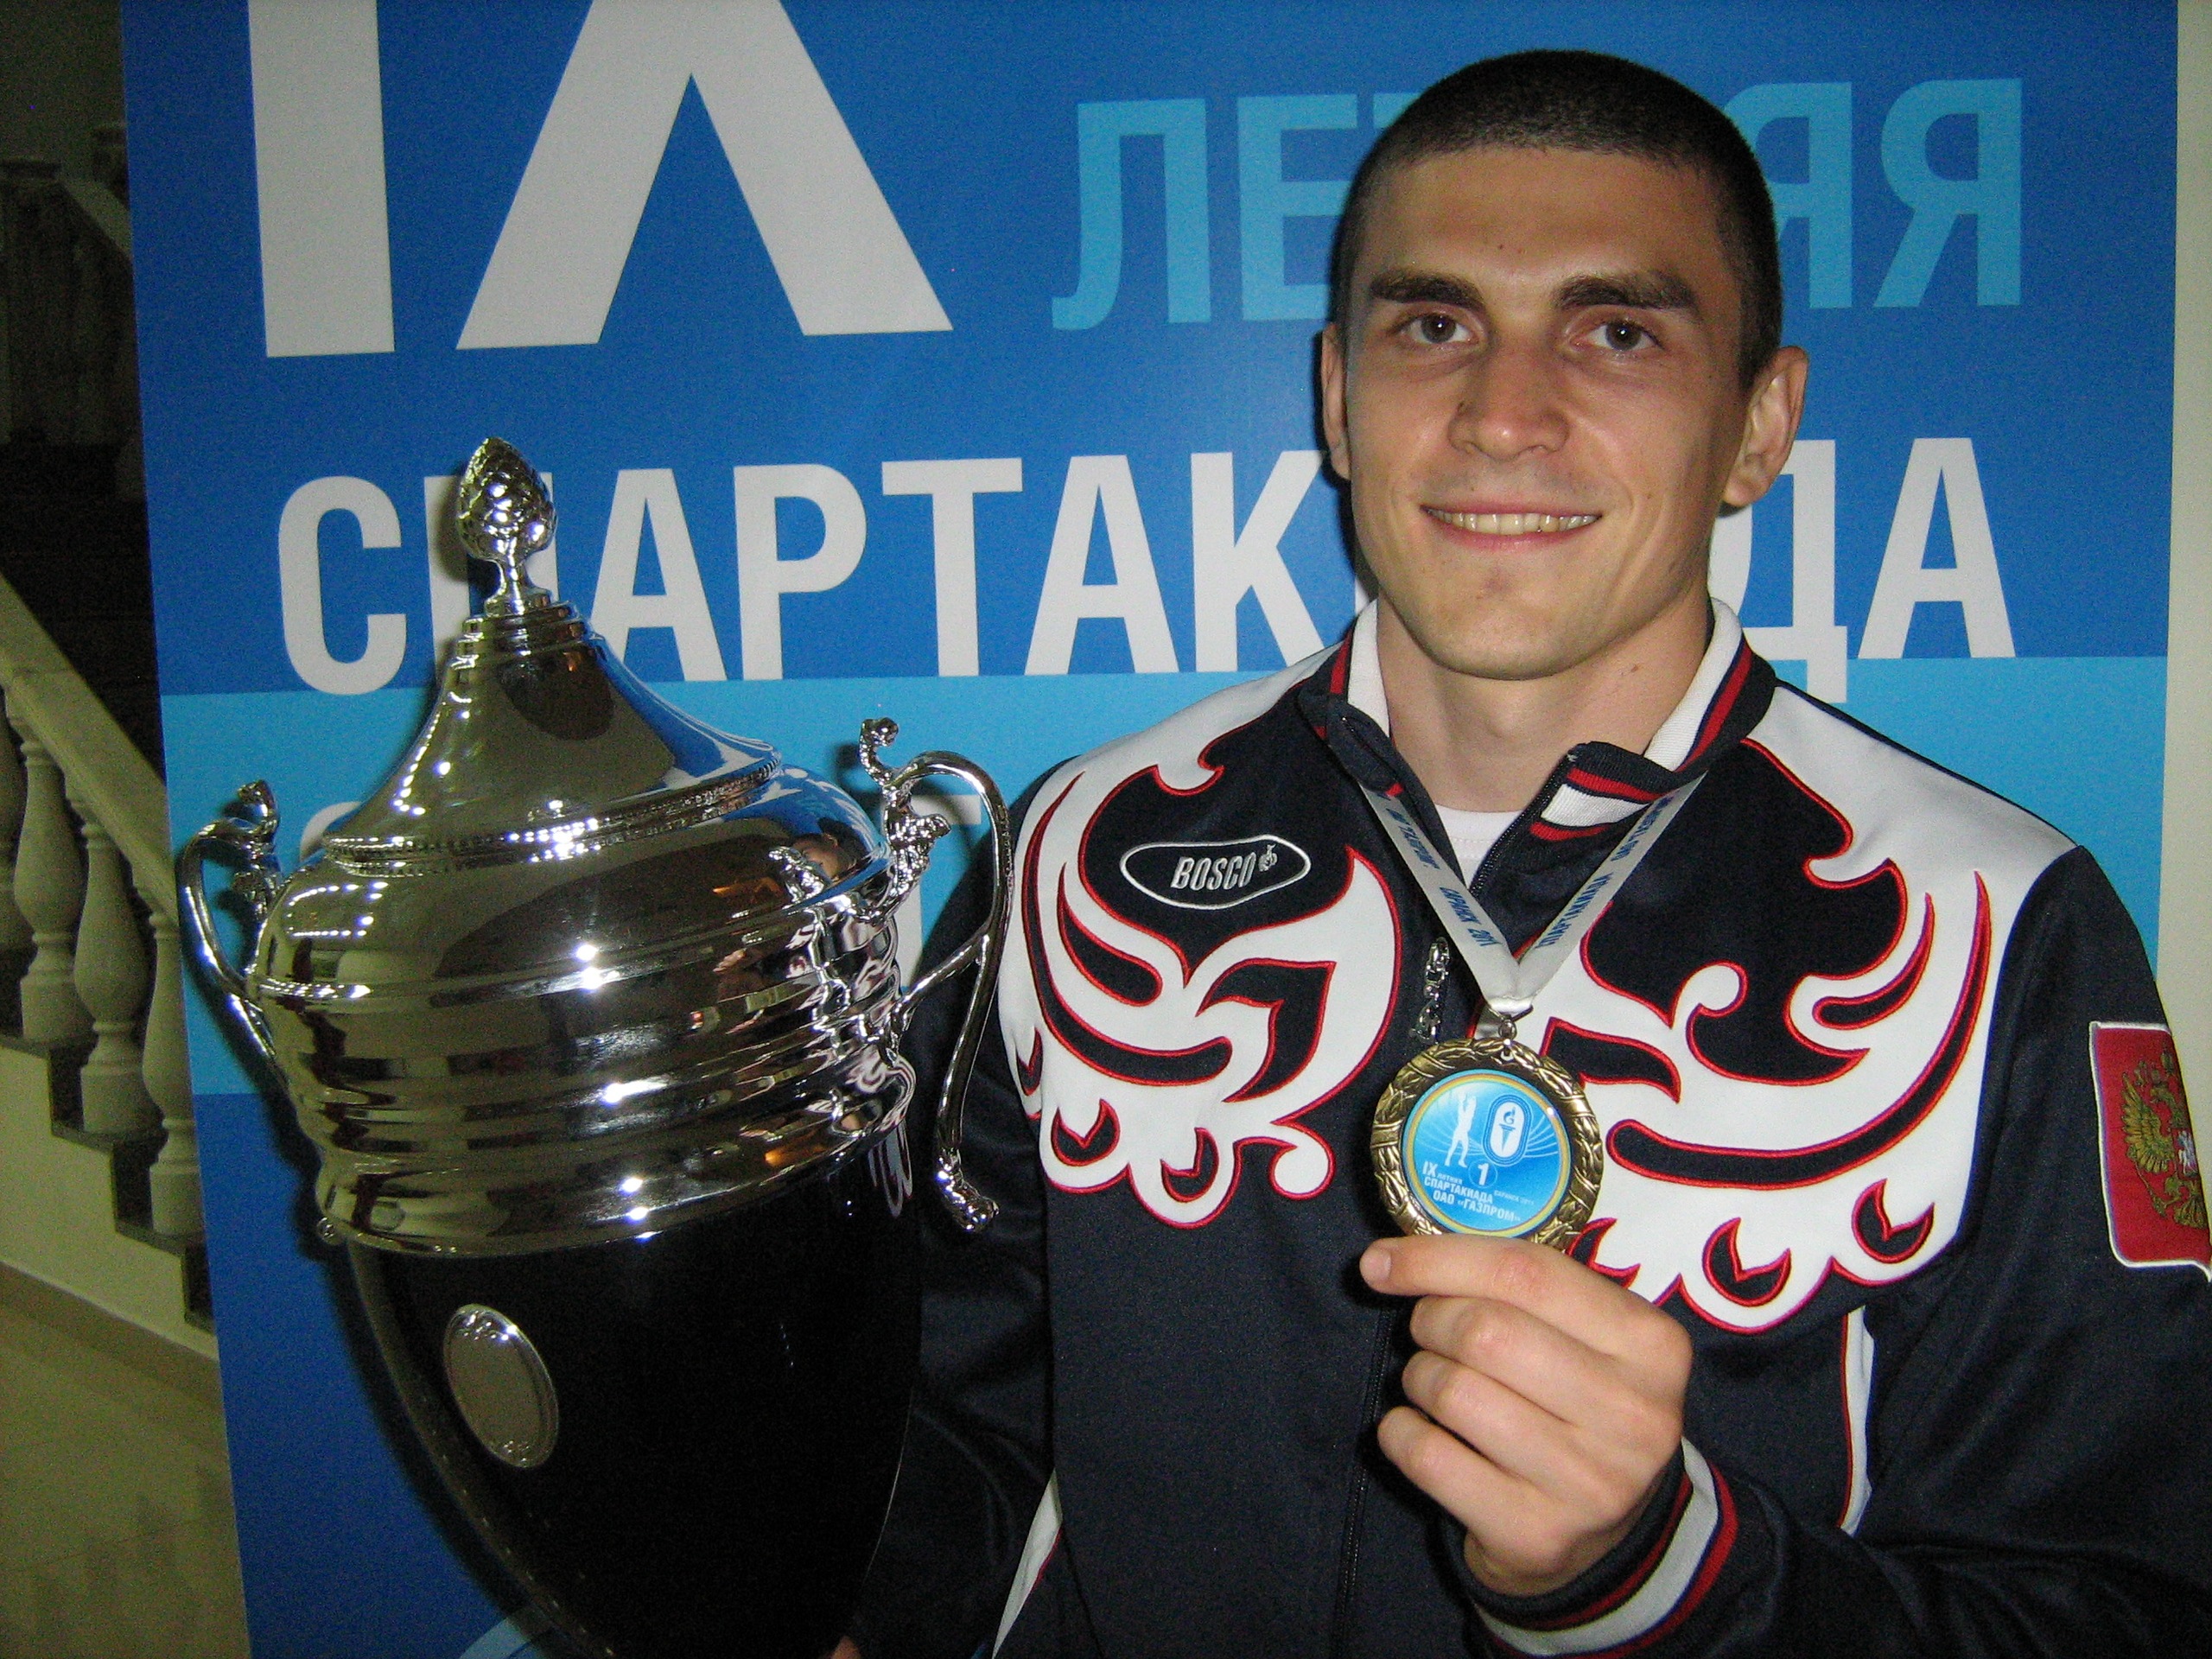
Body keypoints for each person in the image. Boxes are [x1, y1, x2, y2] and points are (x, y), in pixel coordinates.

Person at [844, 49, 2212, 1657]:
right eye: (1434, 327)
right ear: (1338, 398)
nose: (1503, 415)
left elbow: (2118, 1607)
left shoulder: (1997, 922)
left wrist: (1666, 1576)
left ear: (1759, 424)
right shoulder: (1077, 849)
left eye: (1616, 331)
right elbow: (939, 1415)